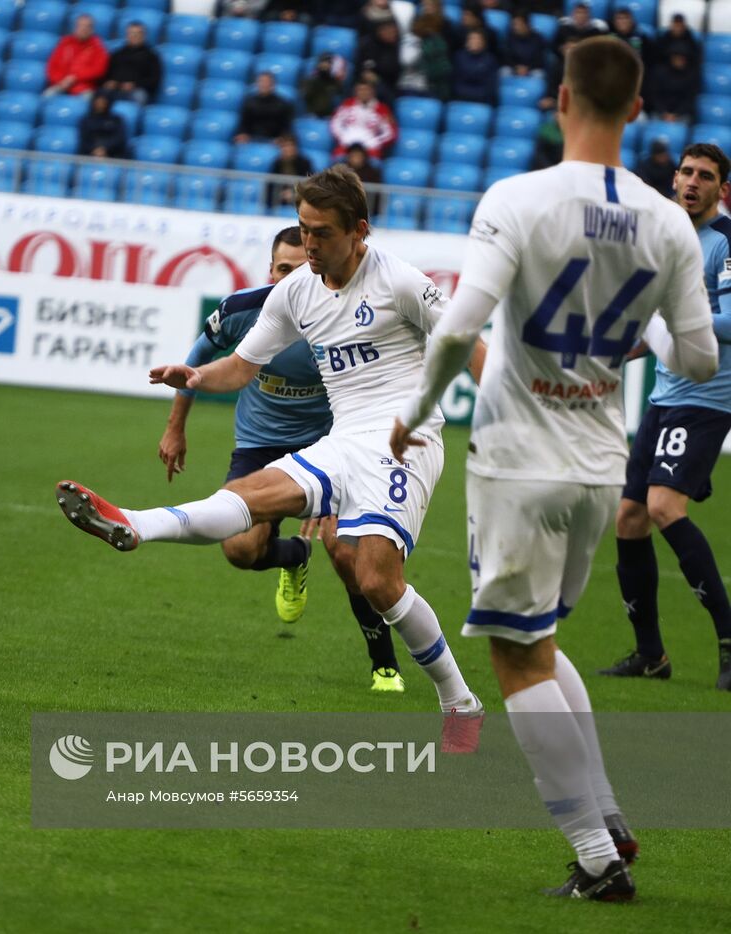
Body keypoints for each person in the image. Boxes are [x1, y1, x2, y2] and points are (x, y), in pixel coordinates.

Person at [389, 36, 717, 898]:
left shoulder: (519, 198)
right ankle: (605, 814)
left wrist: (415, 412)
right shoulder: (670, 220)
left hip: (518, 457)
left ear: (562, 100)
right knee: (539, 637)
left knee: (515, 657)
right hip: (600, 462)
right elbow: (699, 356)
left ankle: (597, 861)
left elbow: (459, 328)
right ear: (638, 110)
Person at [56, 165, 488, 733]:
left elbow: (469, 346)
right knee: (243, 496)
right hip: (343, 439)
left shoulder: (402, 282)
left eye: (322, 233)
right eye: (303, 229)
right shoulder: (295, 291)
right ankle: (134, 523)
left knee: (377, 580)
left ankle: (458, 702)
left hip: (405, 440)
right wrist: (192, 375)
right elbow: (238, 368)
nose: (309, 243)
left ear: (360, 230)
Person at [158, 226, 406, 690]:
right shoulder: (243, 311)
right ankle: (294, 556)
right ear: (270, 271)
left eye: (302, 268)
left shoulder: (342, 317)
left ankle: (384, 663)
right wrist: (175, 428)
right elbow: (194, 363)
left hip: (331, 443)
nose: (291, 277)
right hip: (260, 447)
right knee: (239, 549)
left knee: (347, 553)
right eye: (283, 269)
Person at [602, 143, 731, 691]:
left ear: (721, 188)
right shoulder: (667, 242)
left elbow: (725, 321)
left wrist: (670, 320)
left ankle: (728, 639)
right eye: (686, 172)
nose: (693, 182)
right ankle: (651, 654)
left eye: (706, 176)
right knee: (628, 519)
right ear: (674, 179)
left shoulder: (724, 243)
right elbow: (653, 327)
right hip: (662, 398)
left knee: (661, 505)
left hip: (706, 398)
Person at [329, 78, 396, 158]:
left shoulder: (382, 109)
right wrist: (343, 137)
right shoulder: (347, 104)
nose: (363, 92)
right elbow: (335, 122)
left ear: (373, 91)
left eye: (366, 90)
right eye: (360, 90)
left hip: (370, 150)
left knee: (374, 164)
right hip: (346, 146)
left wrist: (376, 142)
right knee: (337, 160)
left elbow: (391, 133)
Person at [45, 14, 109, 97]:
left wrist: (75, 77)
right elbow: (52, 66)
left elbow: (99, 70)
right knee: (47, 96)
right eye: (81, 26)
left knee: (87, 99)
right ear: (75, 27)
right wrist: (61, 81)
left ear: (92, 29)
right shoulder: (65, 43)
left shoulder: (98, 46)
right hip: (60, 84)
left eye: (87, 26)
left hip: (84, 88)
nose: (84, 29)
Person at [101, 21, 162, 105]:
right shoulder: (117, 54)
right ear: (127, 35)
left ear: (144, 35)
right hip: (115, 89)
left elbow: (154, 80)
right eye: (132, 33)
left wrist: (134, 85)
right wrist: (109, 82)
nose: (135, 36)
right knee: (99, 95)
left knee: (139, 96)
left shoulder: (152, 56)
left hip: (136, 90)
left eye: (138, 33)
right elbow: (106, 73)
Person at [234, 72, 293, 143]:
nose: (264, 84)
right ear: (257, 84)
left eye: (267, 82)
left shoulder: (282, 104)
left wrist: (281, 138)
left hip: (274, 141)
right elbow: (243, 123)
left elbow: (286, 126)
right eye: (261, 81)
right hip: (251, 140)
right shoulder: (249, 102)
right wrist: (243, 134)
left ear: (273, 84)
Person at [644, 52, 699, 123]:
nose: (680, 61)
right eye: (677, 58)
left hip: (681, 115)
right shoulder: (659, 72)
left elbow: (690, 99)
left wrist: (677, 114)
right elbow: (654, 95)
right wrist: (663, 112)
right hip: (659, 112)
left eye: (682, 58)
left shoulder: (691, 75)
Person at [451, 30, 500, 105]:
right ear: (466, 42)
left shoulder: (490, 59)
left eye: (477, 39)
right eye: (471, 39)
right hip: (461, 97)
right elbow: (455, 80)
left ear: (484, 43)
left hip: (481, 99)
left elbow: (491, 85)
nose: (474, 41)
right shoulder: (459, 56)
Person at [76, 91, 127, 159]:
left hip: (112, 155)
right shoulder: (86, 120)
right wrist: (94, 150)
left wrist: (105, 149)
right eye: (98, 102)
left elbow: (119, 138)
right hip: (90, 154)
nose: (101, 105)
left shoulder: (116, 120)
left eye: (103, 102)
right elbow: (84, 139)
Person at [268, 135, 313, 207]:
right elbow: (270, 187)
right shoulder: (277, 163)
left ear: (295, 148)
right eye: (284, 146)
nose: (286, 149)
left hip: (302, 201)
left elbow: (311, 185)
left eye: (289, 146)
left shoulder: (305, 163)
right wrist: (280, 194)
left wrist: (294, 194)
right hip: (279, 202)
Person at [504, 12, 549, 77]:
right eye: (514, 25)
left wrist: (528, 68)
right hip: (515, 68)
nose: (515, 27)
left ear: (527, 24)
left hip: (532, 69)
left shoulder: (538, 39)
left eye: (518, 24)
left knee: (539, 74)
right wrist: (516, 67)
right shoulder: (509, 38)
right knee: (504, 71)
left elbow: (540, 58)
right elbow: (506, 56)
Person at [301, 54, 344, 118]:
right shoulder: (310, 81)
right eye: (323, 62)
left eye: (328, 63)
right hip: (311, 114)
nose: (325, 65)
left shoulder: (334, 82)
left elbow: (340, 94)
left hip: (328, 116)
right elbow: (305, 97)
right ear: (318, 64)